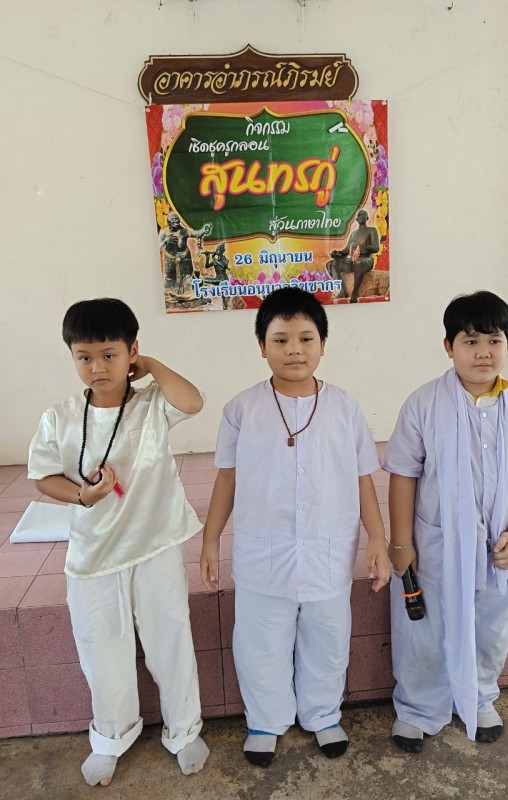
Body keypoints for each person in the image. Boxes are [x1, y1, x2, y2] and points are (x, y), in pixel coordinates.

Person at [200, 287, 390, 767]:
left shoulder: (345, 407)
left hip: (328, 550)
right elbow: (227, 479)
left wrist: (378, 539)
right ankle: (265, 721)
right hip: (263, 555)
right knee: (260, 641)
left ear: (323, 344)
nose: (294, 350)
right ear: (261, 346)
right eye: (280, 340)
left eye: (306, 338)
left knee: (327, 639)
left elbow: (363, 478)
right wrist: (210, 539)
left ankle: (323, 715)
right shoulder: (241, 409)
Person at [28, 298, 209, 787]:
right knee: (101, 648)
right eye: (84, 357)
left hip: (155, 545)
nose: (97, 367)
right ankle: (110, 737)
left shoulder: (151, 405)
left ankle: (184, 731)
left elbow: (193, 401)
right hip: (94, 555)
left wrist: (150, 366)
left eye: (110, 354)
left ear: (131, 351)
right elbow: (43, 476)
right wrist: (83, 496)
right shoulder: (60, 417)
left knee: (170, 639)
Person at [383, 291, 508, 752]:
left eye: (493, 340)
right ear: (449, 347)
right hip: (437, 545)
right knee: (424, 631)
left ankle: (482, 698)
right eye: (470, 341)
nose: (483, 352)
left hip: (499, 549)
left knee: (491, 627)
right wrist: (401, 544)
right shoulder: (424, 404)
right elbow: (403, 475)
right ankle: (417, 708)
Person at [328, 209, 380, 303]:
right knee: (331, 264)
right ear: (356, 219)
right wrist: (337, 252)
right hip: (352, 260)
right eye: (358, 215)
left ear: (367, 218)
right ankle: (342, 291)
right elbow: (347, 250)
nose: (360, 216)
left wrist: (360, 247)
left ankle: (355, 293)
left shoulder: (372, 230)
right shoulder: (353, 234)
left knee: (358, 262)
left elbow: (376, 248)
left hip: (366, 259)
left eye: (362, 215)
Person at [159, 212, 211, 293]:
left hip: (185, 258)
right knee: (169, 279)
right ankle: (171, 294)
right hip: (170, 259)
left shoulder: (184, 231)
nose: (176, 221)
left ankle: (188, 292)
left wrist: (203, 231)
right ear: (169, 222)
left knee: (188, 277)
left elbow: (196, 233)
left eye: (177, 219)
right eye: (173, 219)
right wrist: (165, 241)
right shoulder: (164, 234)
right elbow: (158, 246)